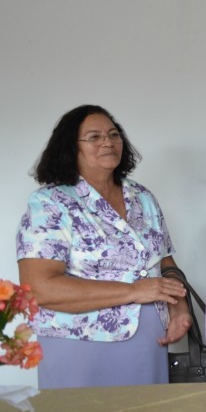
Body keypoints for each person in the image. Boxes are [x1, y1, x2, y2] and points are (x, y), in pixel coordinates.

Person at [16, 104, 191, 388]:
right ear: (71, 148)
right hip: (78, 347)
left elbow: (165, 264)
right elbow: (39, 288)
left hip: (148, 344)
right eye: (94, 137)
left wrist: (179, 308)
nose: (108, 141)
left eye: (113, 134)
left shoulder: (142, 197)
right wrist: (134, 291)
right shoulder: (50, 203)